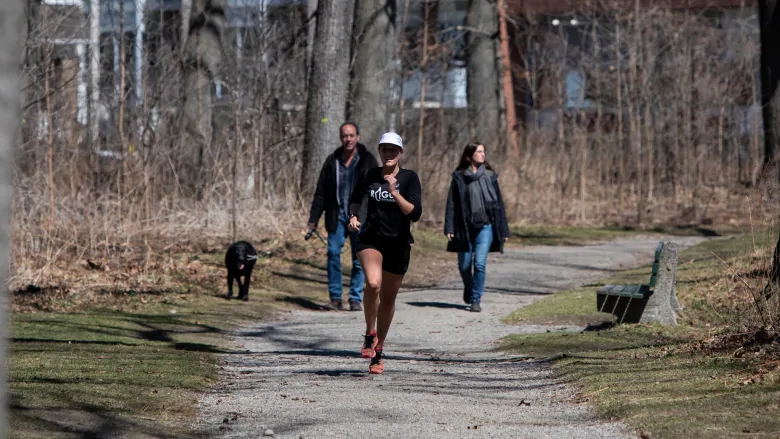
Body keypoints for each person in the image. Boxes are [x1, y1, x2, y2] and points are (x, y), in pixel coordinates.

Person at [347, 132, 422, 375]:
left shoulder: (410, 178)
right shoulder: (370, 174)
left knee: (388, 300)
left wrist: (394, 191)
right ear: (379, 152)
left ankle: (378, 352)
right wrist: (353, 215)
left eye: (393, 150)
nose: (389, 154)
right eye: (385, 149)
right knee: (373, 283)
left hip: (398, 245)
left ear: (400, 153)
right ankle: (370, 333)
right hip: (370, 239)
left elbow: (415, 213)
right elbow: (356, 197)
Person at [307, 122, 379, 311]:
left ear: (358, 137)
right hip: (336, 216)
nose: (348, 139)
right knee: (332, 253)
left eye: (351, 135)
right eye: (345, 136)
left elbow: (376, 190)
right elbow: (320, 192)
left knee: (359, 258)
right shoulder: (333, 161)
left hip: (360, 217)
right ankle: (335, 298)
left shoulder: (368, 160)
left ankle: (355, 298)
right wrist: (313, 219)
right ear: (341, 138)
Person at [443, 142, 510, 313]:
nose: (483, 154)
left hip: (485, 227)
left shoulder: (490, 177)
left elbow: (499, 206)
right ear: (470, 155)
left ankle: (475, 299)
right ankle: (469, 286)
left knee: (479, 264)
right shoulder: (459, 177)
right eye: (479, 151)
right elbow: (451, 204)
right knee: (465, 266)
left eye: (483, 151)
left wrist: (504, 230)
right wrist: (449, 227)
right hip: (464, 227)